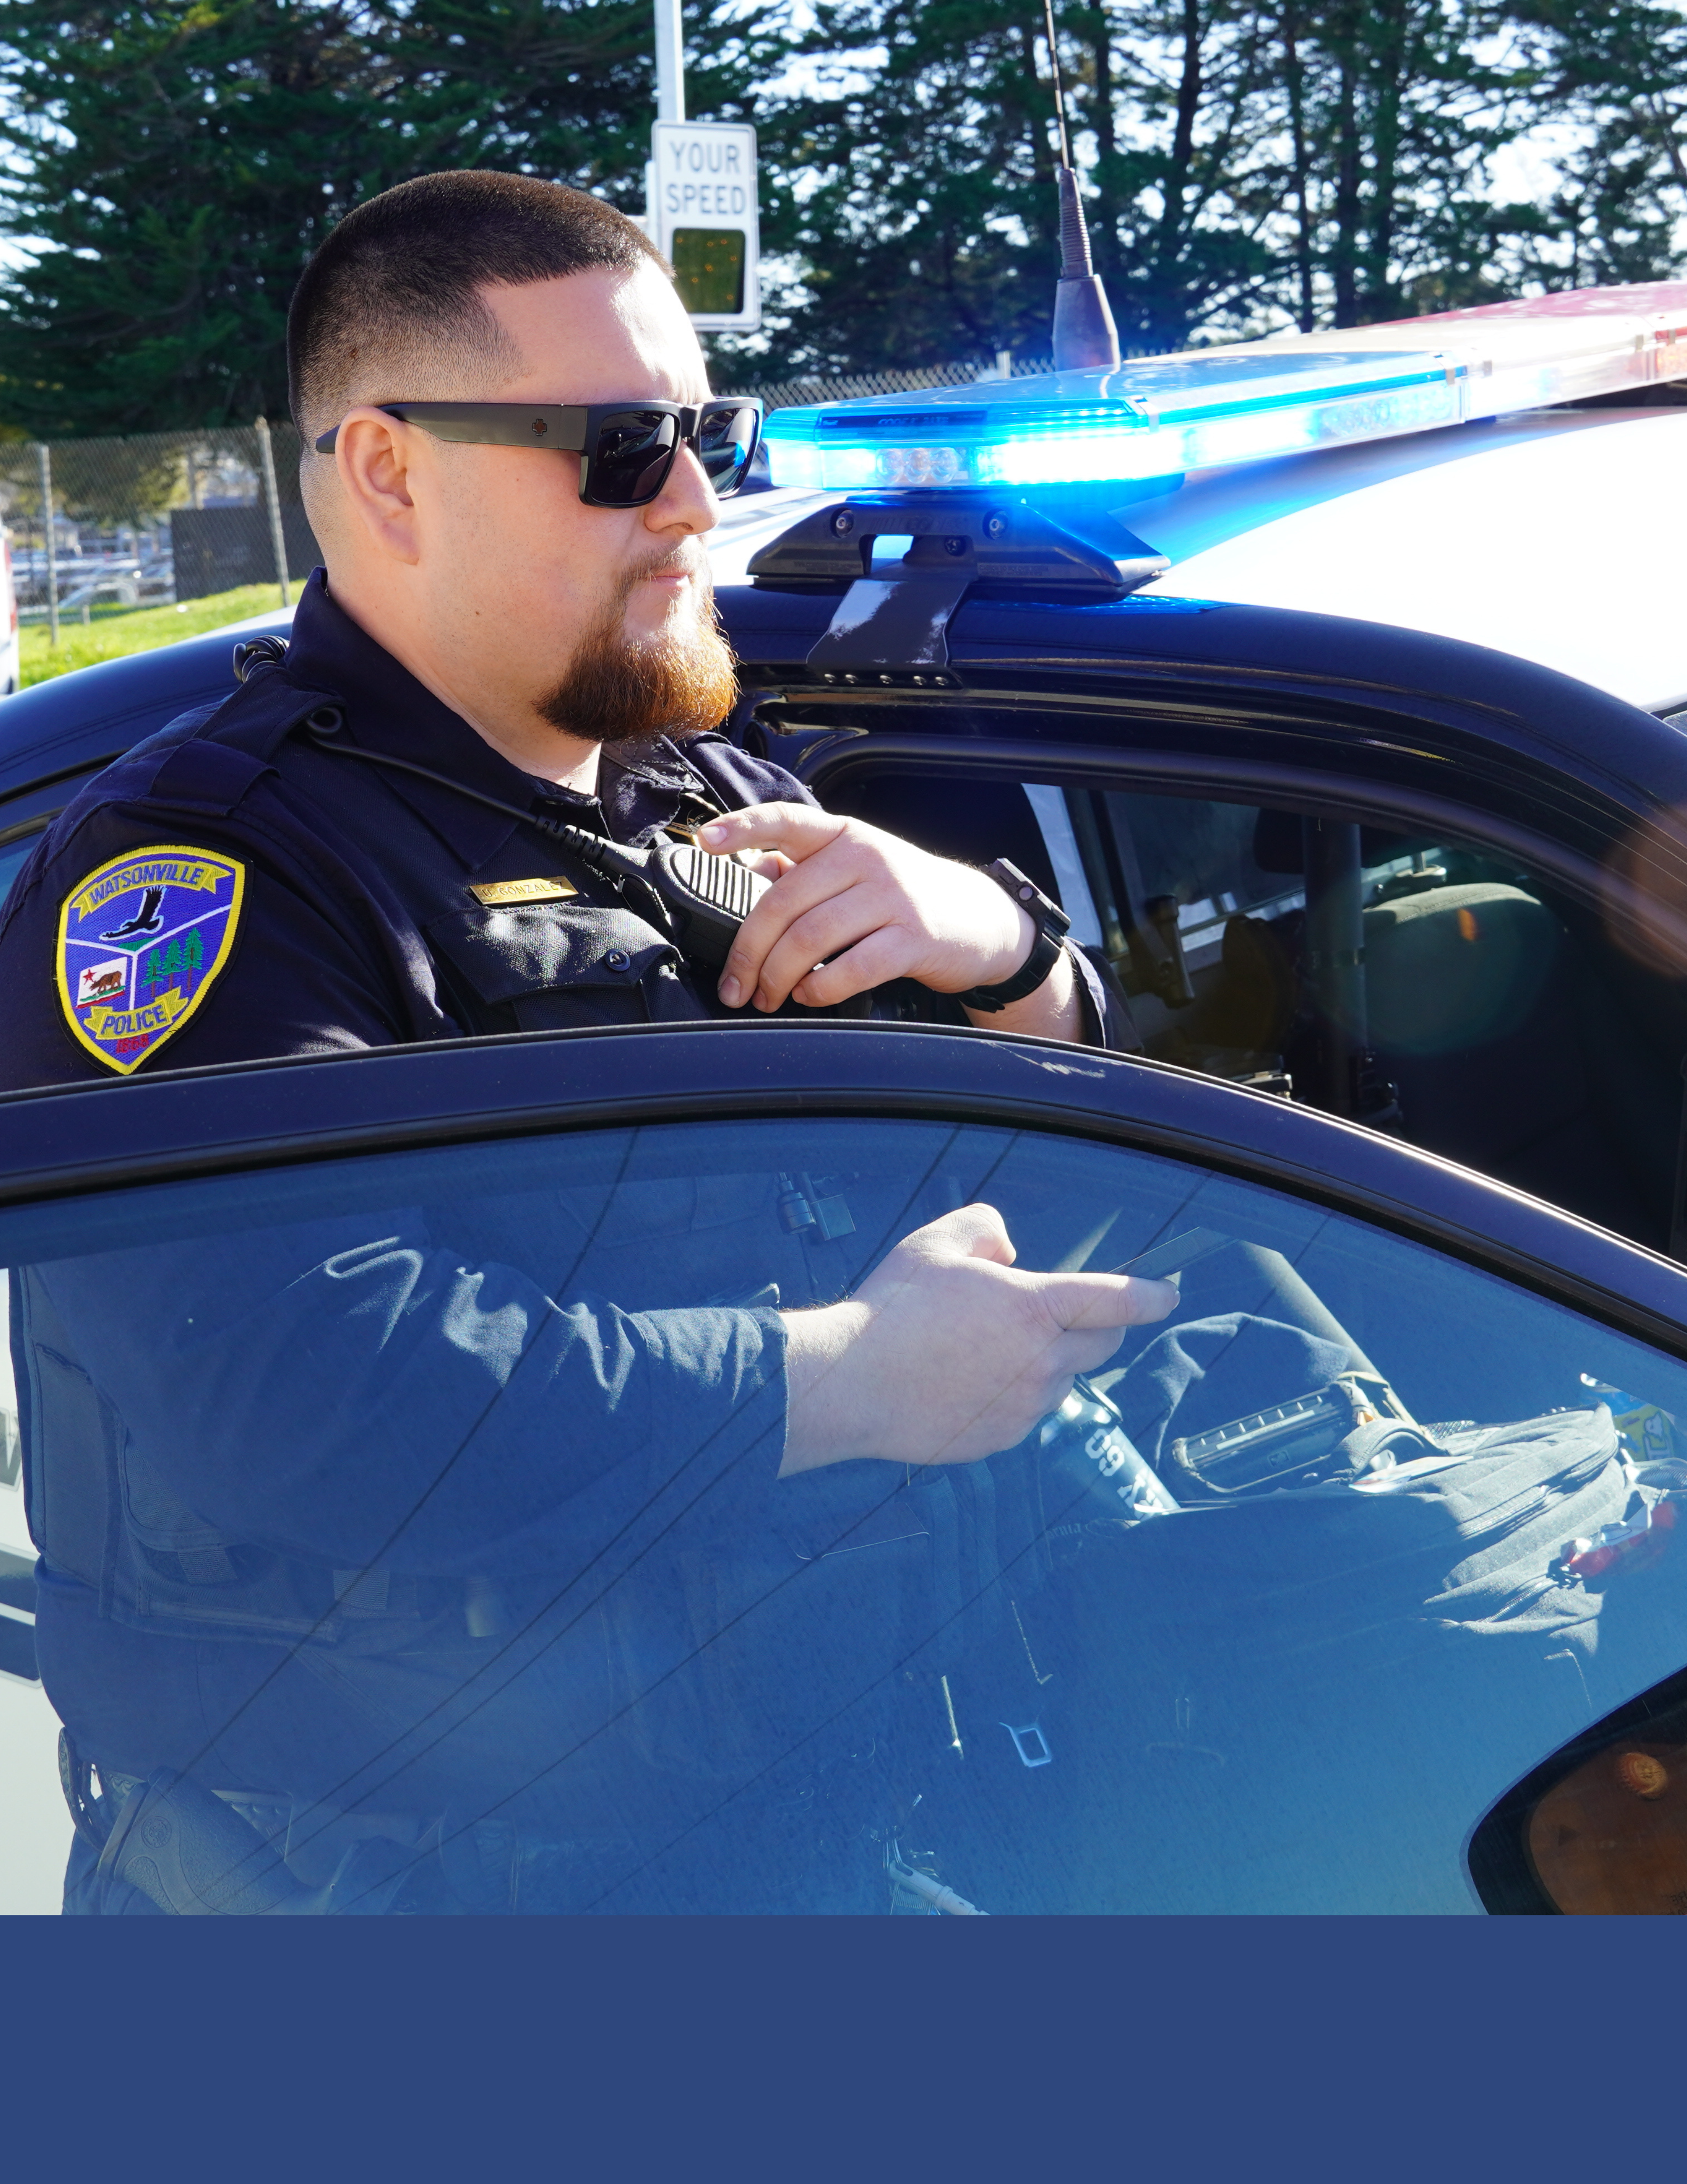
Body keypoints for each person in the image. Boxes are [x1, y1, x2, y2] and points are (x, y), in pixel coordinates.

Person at [0, 172, 1174, 1910]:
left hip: (831, 1814)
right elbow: (292, 1385)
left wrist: (1006, 954)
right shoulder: (206, 875)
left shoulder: (712, 794)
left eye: (710, 432)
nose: (698, 500)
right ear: (389, 472)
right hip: (408, 1908)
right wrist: (844, 1375)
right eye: (621, 448)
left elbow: (1080, 1178)